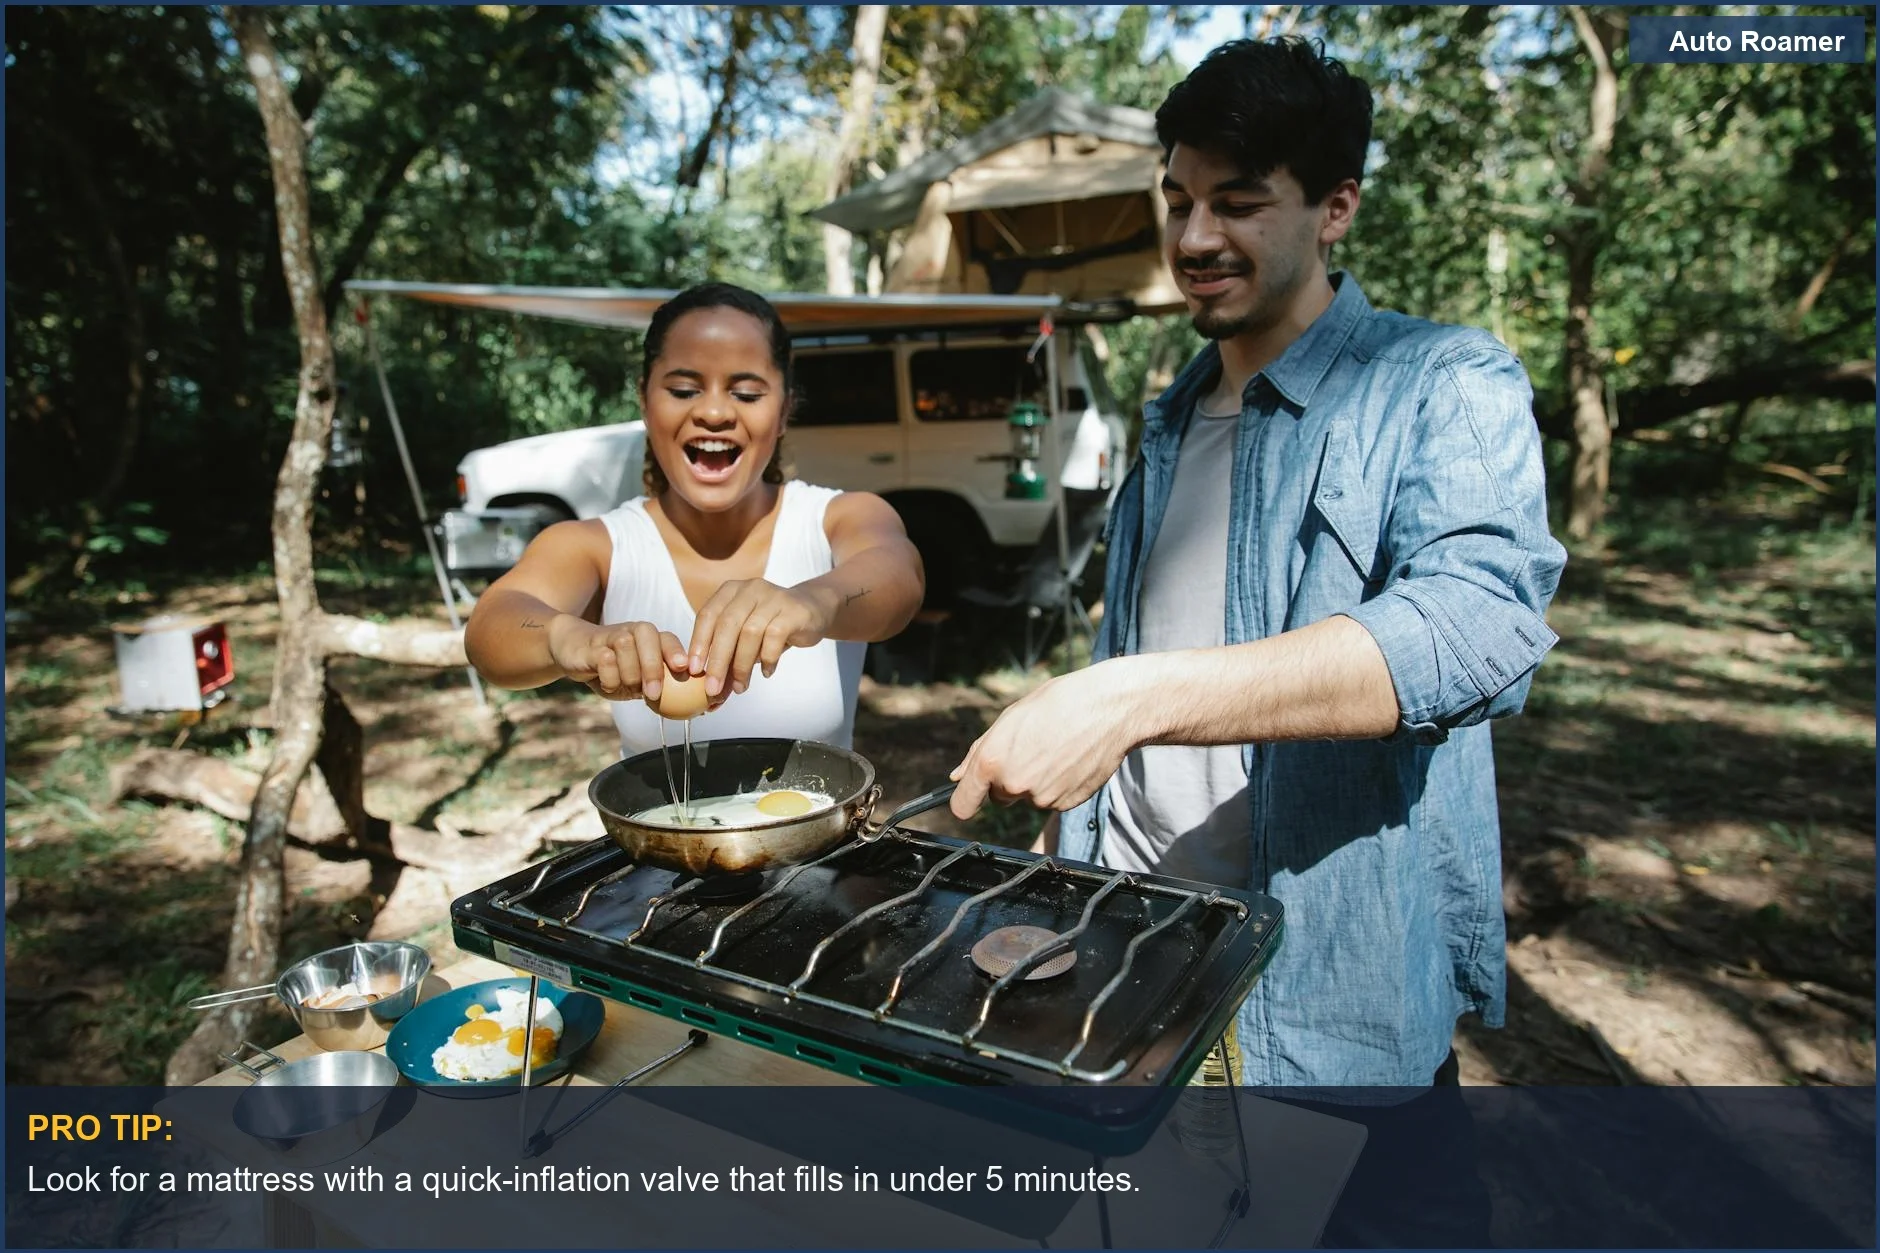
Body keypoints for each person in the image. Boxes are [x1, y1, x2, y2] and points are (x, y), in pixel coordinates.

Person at [947, 36, 1566, 1243]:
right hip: (1133, 967)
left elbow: (1481, 621)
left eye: (1238, 203)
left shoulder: (1440, 380)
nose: (1192, 239)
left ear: (1334, 208)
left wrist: (1131, 695)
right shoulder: (1169, 416)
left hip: (1327, 998)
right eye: (1176, 199)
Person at [465, 283, 924, 756]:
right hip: (652, 834)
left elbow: (898, 574)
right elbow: (490, 630)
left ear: (784, 411)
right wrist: (565, 637)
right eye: (684, 390)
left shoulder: (836, 518)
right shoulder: (598, 546)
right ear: (644, 400)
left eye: (746, 393)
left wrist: (816, 601)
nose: (713, 412)